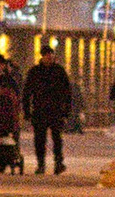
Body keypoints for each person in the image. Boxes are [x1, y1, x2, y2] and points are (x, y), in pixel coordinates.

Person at [22, 42, 77, 177]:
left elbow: (67, 92)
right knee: (39, 139)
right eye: (47, 56)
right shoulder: (35, 72)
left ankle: (58, 162)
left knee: (57, 138)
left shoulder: (59, 71)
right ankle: (41, 164)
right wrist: (27, 111)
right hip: (39, 110)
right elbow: (27, 92)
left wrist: (66, 111)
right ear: (42, 57)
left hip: (55, 110)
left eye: (51, 56)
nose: (49, 58)